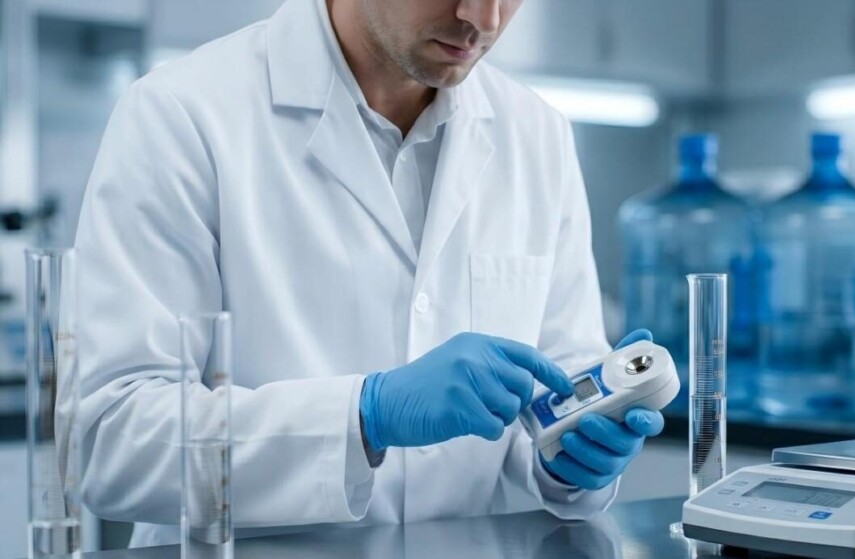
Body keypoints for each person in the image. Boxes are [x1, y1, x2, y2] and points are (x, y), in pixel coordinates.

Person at [75, 0, 665, 547]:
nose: (481, 17)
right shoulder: (182, 115)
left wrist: (566, 463)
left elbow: (559, 390)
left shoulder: (538, 135)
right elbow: (111, 442)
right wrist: (364, 415)